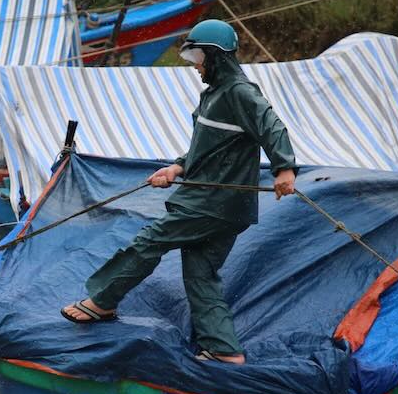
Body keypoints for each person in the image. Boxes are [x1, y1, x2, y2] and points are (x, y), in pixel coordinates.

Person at [60, 19, 297, 365]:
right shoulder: (215, 94)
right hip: (224, 206)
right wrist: (177, 167)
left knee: (148, 242)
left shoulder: (239, 92)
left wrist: (284, 168)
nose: (196, 65)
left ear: (217, 56)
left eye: (199, 56)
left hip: (211, 202)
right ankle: (223, 349)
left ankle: (103, 301)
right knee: (201, 273)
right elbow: (208, 147)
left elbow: (271, 125)